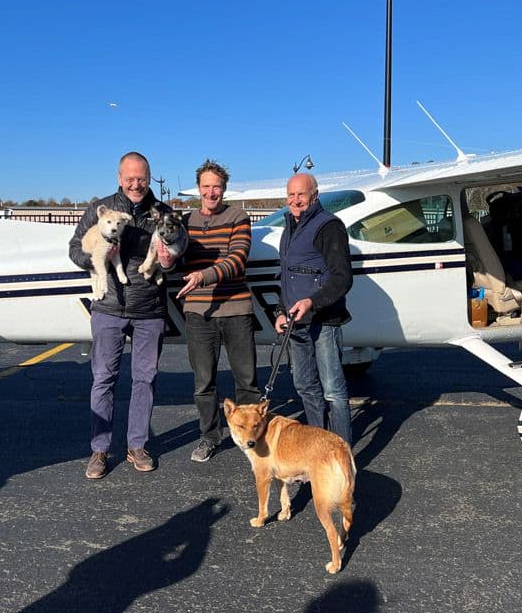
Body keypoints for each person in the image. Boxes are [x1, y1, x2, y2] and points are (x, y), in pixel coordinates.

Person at [69, 152, 176, 479]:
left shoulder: (163, 213)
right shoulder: (100, 209)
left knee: (145, 379)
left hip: (149, 310)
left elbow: (178, 251)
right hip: (109, 308)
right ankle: (100, 450)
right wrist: (95, 260)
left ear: (149, 177)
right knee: (103, 379)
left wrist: (171, 262)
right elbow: (75, 249)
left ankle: (137, 446)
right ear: (119, 178)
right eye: (129, 178)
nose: (135, 184)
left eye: (141, 178)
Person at [176, 160, 260, 462]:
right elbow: (173, 259)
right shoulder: (184, 222)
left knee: (247, 381)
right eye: (206, 186)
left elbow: (238, 259)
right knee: (203, 383)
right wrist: (163, 256)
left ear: (224, 189)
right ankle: (210, 437)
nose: (211, 192)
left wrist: (202, 276)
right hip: (199, 313)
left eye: (217, 187)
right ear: (198, 189)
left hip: (236, 308)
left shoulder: (238, 216)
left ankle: (252, 437)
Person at [274, 173, 353, 445]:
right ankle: (318, 446)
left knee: (332, 390)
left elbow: (342, 278)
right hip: (297, 322)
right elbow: (286, 277)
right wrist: (280, 312)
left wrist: (312, 302)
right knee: (305, 387)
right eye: (291, 195)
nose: (296, 201)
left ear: (314, 196)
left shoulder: (329, 226)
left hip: (324, 320)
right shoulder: (290, 227)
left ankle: (341, 452)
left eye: (302, 195)